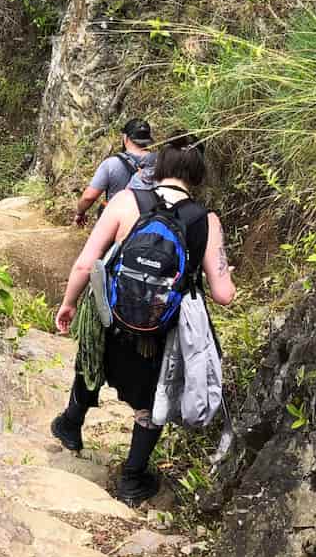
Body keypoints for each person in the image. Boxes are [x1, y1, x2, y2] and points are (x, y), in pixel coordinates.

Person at [51, 132, 236, 506]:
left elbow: (88, 262)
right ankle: (132, 479)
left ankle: (71, 424)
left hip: (111, 317)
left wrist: (69, 303)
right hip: (158, 333)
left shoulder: (124, 202)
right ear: (198, 174)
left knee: (93, 362)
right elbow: (223, 294)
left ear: (159, 165)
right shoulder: (205, 221)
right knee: (151, 401)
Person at [73, 118, 156, 226]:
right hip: (151, 223)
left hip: (117, 224)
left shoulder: (111, 164)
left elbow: (89, 197)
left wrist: (80, 213)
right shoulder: (162, 162)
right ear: (148, 138)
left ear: (125, 137)